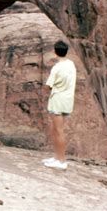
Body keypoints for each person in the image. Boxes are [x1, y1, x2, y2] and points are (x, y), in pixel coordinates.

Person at [42, 40, 77, 169]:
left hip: (57, 100)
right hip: (67, 100)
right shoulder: (71, 64)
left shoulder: (56, 68)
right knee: (56, 130)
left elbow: (48, 86)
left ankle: (61, 161)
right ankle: (56, 157)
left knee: (58, 130)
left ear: (55, 52)